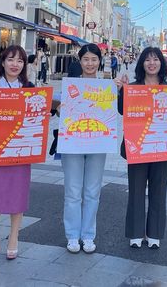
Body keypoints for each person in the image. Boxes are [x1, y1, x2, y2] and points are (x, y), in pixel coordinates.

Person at [116, 47, 167, 249]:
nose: (152, 63)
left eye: (156, 59)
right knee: (136, 189)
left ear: (162, 63)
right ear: (142, 63)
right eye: (148, 60)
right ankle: (135, 232)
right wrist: (121, 92)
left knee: (158, 189)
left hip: (161, 144)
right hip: (138, 145)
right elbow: (121, 110)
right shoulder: (133, 87)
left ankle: (154, 233)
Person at [0, 46, 34, 261]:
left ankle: (14, 237)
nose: (15, 64)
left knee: (17, 193)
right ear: (2, 62)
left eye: (20, 61)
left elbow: (36, 116)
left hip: (20, 149)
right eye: (10, 60)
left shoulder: (29, 87)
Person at [60, 43, 108, 254]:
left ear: (99, 62)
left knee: (92, 192)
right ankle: (72, 235)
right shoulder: (70, 86)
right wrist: (60, 107)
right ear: (80, 62)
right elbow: (57, 109)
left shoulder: (107, 87)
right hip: (72, 143)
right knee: (72, 191)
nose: (90, 63)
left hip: (98, 143)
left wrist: (121, 89)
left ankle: (88, 235)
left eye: (94, 59)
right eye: (86, 59)